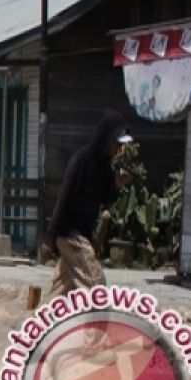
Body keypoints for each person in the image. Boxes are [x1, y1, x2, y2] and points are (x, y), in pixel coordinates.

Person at [45, 109, 133, 297]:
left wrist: (117, 184)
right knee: (96, 284)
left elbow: (105, 199)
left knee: (61, 290)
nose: (118, 148)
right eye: (117, 143)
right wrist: (50, 238)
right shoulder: (82, 160)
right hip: (70, 233)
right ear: (106, 138)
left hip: (83, 235)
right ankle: (99, 324)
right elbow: (64, 197)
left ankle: (40, 322)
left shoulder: (106, 167)